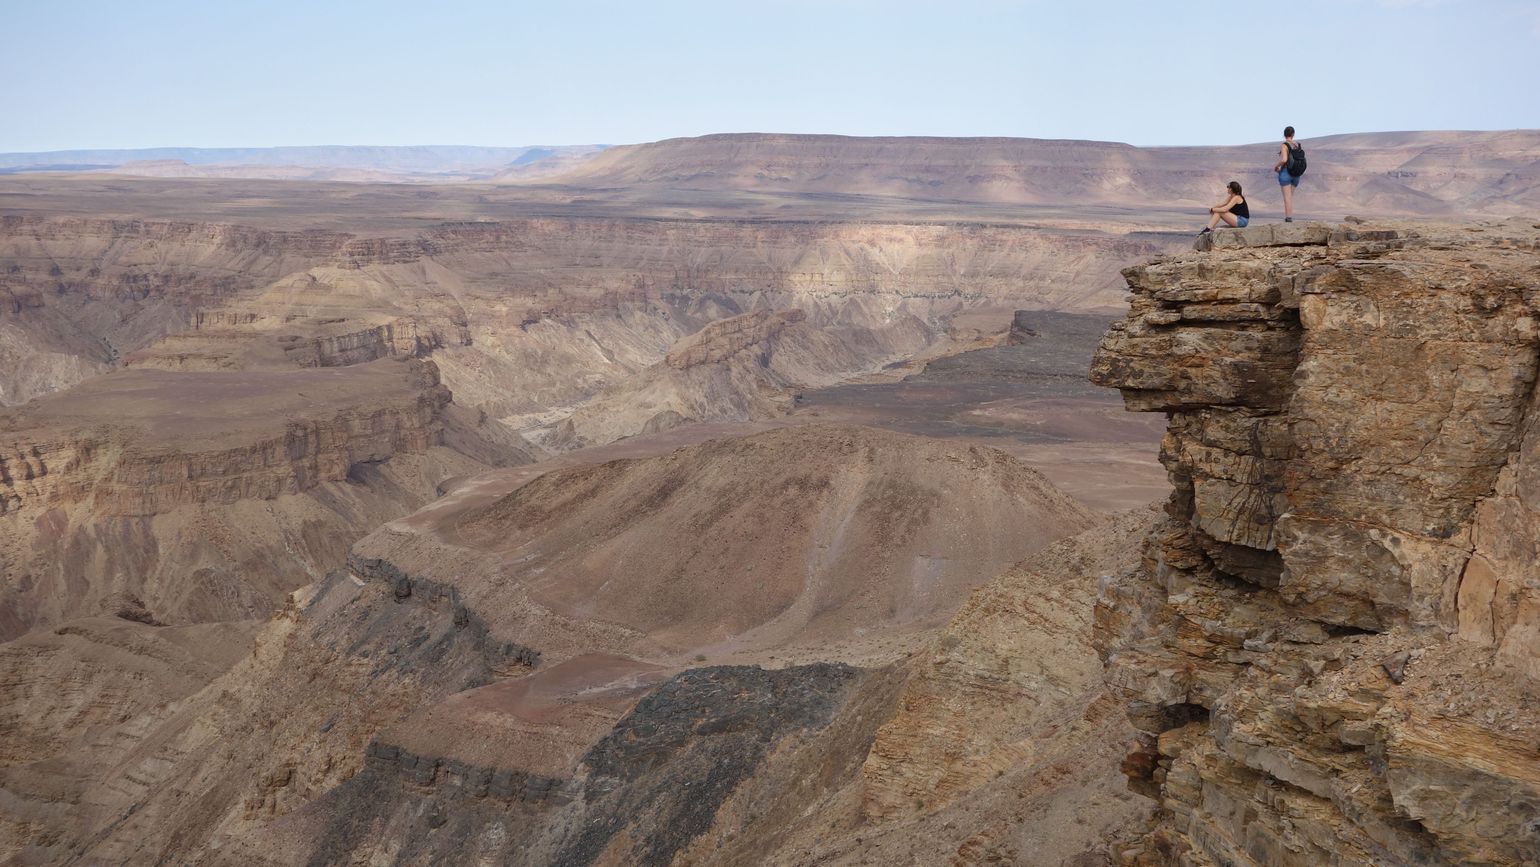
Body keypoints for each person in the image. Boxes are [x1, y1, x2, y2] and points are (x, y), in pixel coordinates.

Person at [1274, 126, 1303, 222]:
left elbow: (1284, 159)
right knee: (1290, 196)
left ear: (1284, 134)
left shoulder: (1284, 145)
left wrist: (1276, 166)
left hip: (1286, 172)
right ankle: (1289, 217)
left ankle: (1288, 218)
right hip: (1296, 174)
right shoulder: (1298, 145)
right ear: (1293, 134)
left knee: (1287, 197)